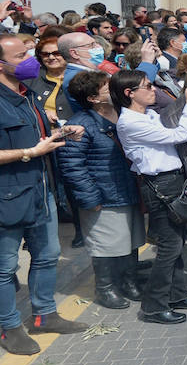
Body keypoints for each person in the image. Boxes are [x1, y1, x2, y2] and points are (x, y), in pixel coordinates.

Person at [0, 33, 89, 354]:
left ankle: (44, 315)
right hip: (7, 198)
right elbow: (26, 148)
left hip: (41, 191)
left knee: (48, 255)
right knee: (5, 267)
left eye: (29, 52)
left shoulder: (28, 94)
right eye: (20, 55)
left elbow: (38, 138)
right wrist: (30, 152)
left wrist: (61, 132)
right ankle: (9, 327)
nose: (30, 60)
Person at [113, 68, 187, 325]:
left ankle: (176, 294)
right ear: (129, 93)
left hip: (172, 180)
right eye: (147, 86)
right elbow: (179, 135)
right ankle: (153, 306)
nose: (152, 89)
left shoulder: (149, 114)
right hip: (158, 185)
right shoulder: (130, 122)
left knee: (177, 241)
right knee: (169, 246)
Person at [56, 70, 146, 309]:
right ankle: (105, 288)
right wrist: (90, 198)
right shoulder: (79, 126)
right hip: (103, 196)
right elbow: (72, 168)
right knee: (105, 244)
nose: (113, 90)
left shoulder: (124, 114)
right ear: (93, 98)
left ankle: (129, 282)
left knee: (132, 238)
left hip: (128, 188)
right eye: (107, 88)